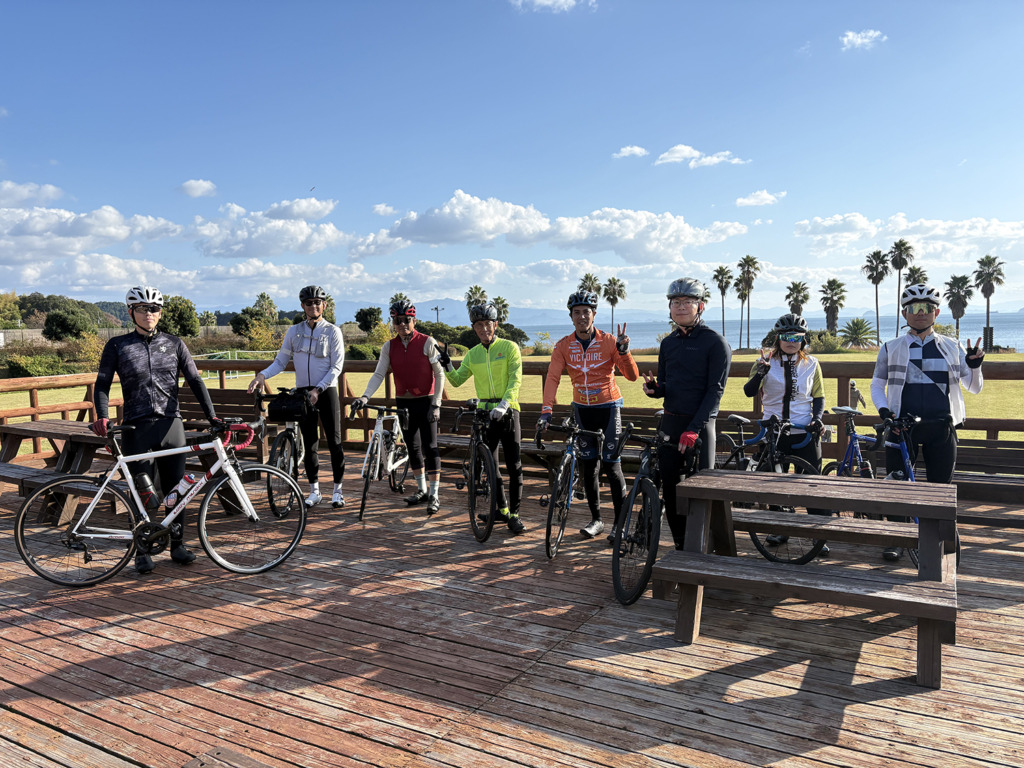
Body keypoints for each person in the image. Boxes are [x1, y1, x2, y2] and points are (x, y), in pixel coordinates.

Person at [92, 286, 222, 575]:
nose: (149, 314)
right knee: (143, 490)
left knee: (178, 489)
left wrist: (212, 417)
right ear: (131, 313)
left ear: (160, 313)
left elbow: (195, 381)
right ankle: (142, 549)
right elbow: (101, 385)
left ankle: (177, 545)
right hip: (136, 426)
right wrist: (102, 416)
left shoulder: (174, 343)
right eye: (142, 309)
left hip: (170, 424)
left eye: (154, 309)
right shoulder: (117, 345)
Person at [870, 283, 984, 560]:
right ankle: (898, 539)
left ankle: (939, 543)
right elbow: (877, 382)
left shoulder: (952, 347)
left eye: (926, 308)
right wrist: (885, 412)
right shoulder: (891, 347)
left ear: (936, 312)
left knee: (939, 490)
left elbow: (974, 387)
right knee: (897, 485)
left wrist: (974, 365)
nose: (920, 313)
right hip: (901, 426)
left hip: (941, 427)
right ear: (904, 313)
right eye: (913, 308)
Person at [539, 290, 639, 542]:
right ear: (571, 317)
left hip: (609, 408)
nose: (582, 316)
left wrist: (624, 351)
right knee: (589, 467)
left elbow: (632, 376)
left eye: (586, 312)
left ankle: (620, 524)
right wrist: (546, 410)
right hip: (582, 409)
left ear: (594, 314)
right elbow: (552, 378)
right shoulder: (563, 346)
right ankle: (597, 520)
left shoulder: (608, 341)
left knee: (612, 466)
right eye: (577, 312)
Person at [642, 278, 731, 550]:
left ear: (700, 306)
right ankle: (682, 547)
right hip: (671, 421)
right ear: (670, 308)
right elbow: (668, 384)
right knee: (671, 490)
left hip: (700, 425)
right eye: (676, 303)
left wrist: (694, 428)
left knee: (703, 493)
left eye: (687, 302)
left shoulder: (715, 343)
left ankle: (714, 548)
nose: (681, 307)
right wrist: (655, 389)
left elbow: (715, 392)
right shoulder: (668, 343)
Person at [247, 285, 346, 509]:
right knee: (309, 442)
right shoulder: (294, 331)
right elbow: (281, 362)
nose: (313, 306)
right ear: (303, 306)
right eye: (309, 303)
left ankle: (338, 490)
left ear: (324, 305)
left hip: (326, 391)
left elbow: (336, 366)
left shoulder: (332, 331)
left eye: (317, 302)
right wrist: (263, 375)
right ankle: (314, 490)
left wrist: (318, 389)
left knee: (334, 441)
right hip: (303, 393)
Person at [351, 300, 446, 515]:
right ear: (393, 322)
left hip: (426, 400)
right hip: (403, 402)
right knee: (412, 446)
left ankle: (435, 494)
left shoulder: (427, 342)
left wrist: (436, 404)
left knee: (430, 447)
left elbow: (439, 373)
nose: (402, 324)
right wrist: (365, 397)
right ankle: (421, 490)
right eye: (397, 320)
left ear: (414, 320)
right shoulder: (389, 346)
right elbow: (378, 373)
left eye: (406, 320)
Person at [744, 312, 828, 554]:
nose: (791, 341)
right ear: (777, 337)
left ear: (803, 339)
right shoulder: (764, 361)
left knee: (813, 485)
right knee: (776, 485)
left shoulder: (812, 363)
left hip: (804, 430)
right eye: (786, 336)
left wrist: (817, 418)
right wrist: (761, 372)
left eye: (797, 336)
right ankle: (781, 528)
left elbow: (819, 396)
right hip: (774, 431)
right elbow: (750, 392)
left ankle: (817, 534)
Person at [442, 303, 526, 534]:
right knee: (491, 468)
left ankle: (515, 515)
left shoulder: (509, 347)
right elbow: (458, 380)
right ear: (474, 328)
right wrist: (447, 364)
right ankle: (502, 509)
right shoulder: (473, 353)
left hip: (507, 411)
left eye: (487, 324)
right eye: (479, 325)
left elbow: (515, 379)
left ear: (495, 325)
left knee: (514, 464)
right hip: (485, 414)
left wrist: (504, 404)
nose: (484, 329)